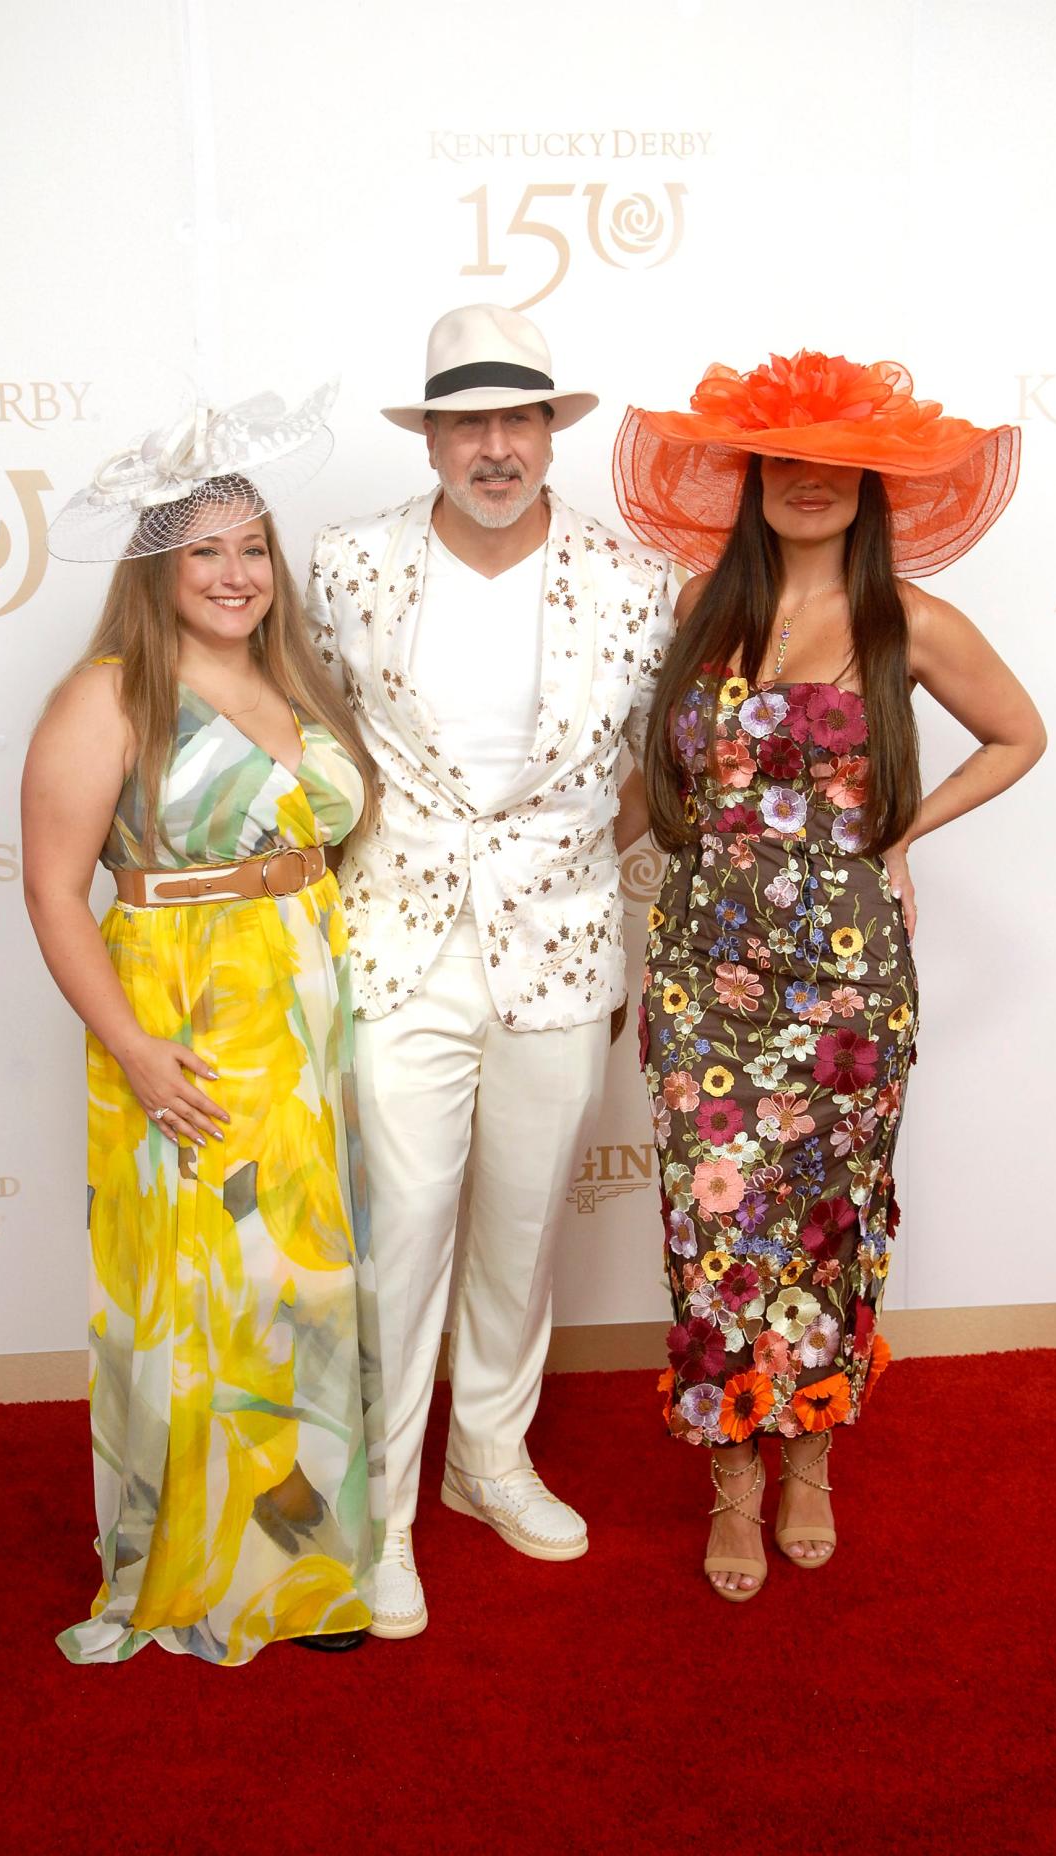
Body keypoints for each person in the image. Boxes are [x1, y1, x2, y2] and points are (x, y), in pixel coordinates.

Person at [612, 350, 1045, 1601]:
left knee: (821, 1218)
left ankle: (809, 1461)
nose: (809, 481)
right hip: (700, 970)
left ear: (872, 482)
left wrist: (902, 829)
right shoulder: (703, 606)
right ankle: (730, 1480)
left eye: (836, 463)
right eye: (784, 460)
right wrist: (556, 874)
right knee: (711, 1224)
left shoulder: (911, 620)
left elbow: (1022, 734)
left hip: (847, 985)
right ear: (752, 478)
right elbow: (659, 788)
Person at [304, 304, 674, 1636]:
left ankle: (489, 1462)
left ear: (549, 432)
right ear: (433, 439)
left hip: (560, 948)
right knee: (400, 1233)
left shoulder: (634, 581)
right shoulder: (344, 566)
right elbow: (307, 727)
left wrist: (558, 859)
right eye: (468, 423)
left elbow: (649, 770)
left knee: (517, 1233)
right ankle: (382, 1509)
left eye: (517, 419)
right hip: (393, 945)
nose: (494, 447)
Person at [23, 390, 385, 1662]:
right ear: (155, 568)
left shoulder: (299, 679)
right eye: (203, 552)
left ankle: (307, 1571)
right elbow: (55, 890)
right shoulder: (108, 693)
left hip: (309, 1011)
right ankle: (200, 1568)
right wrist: (132, 1046)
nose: (236, 574)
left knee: (305, 1288)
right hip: (181, 1017)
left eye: (252, 548)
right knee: (210, 1291)